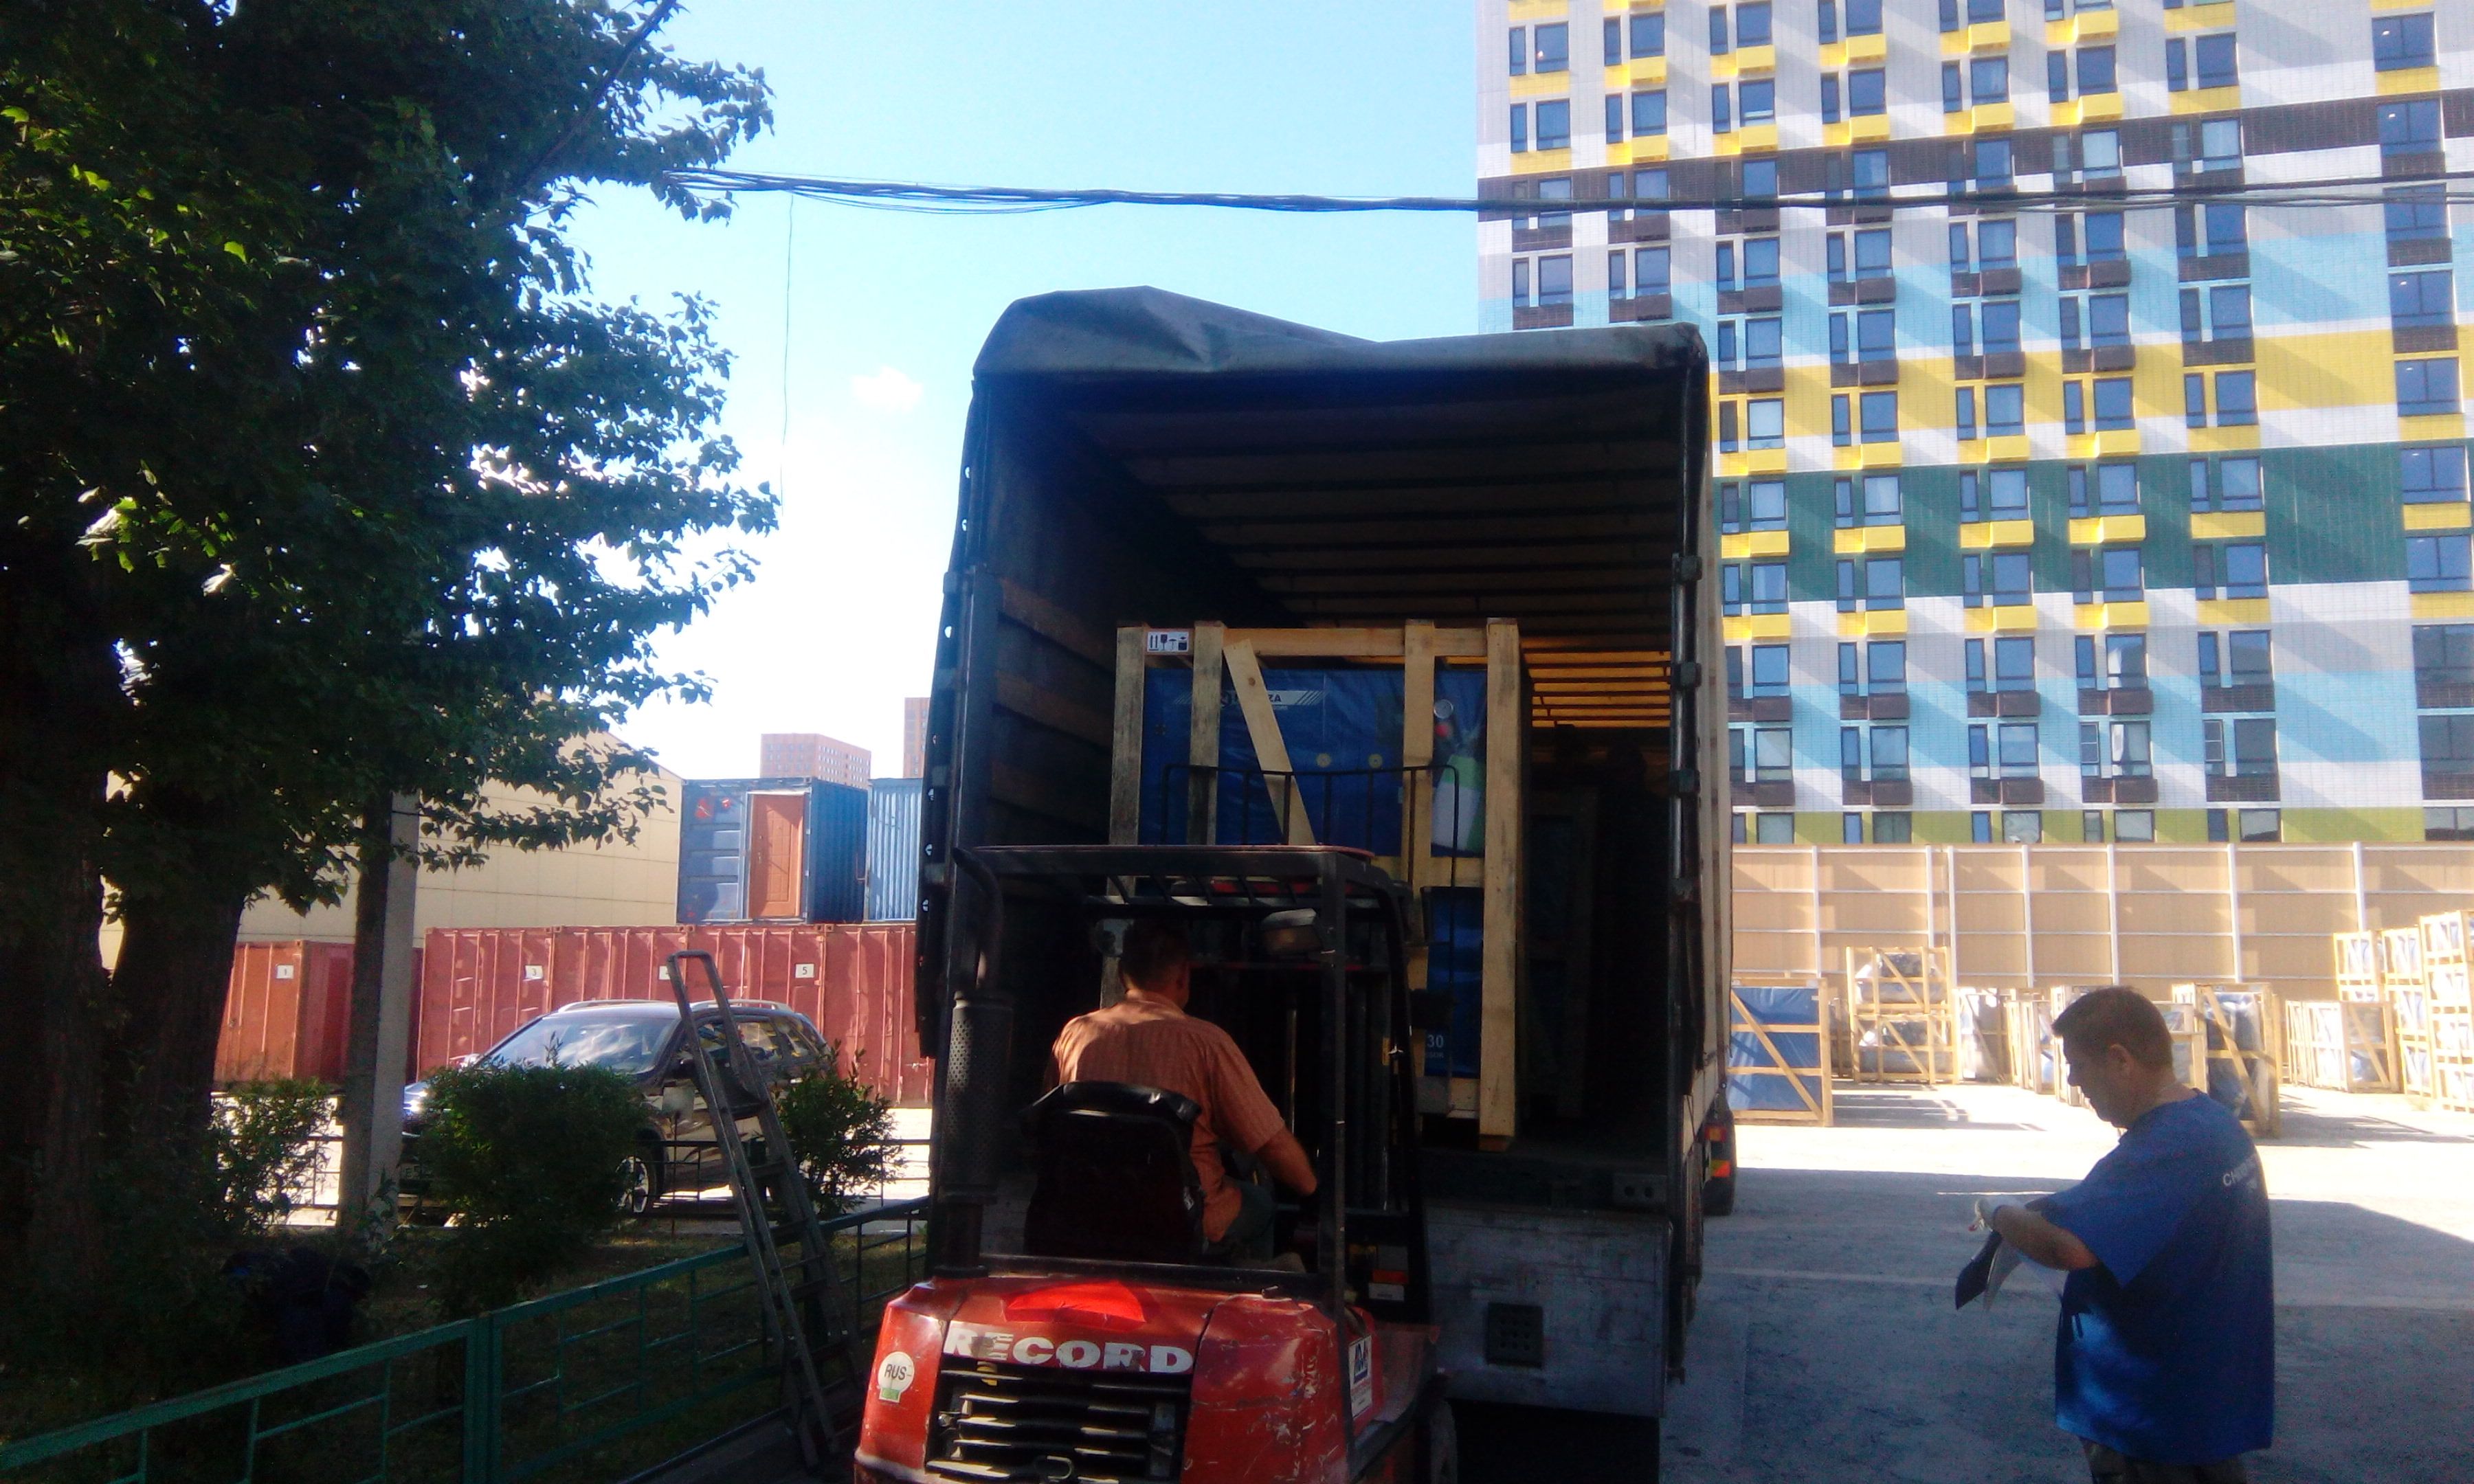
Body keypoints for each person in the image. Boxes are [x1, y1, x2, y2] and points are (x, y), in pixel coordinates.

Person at [1976, 987, 2273, 1484]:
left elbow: (2067, 1248)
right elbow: (2134, 1211)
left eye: (2077, 1065)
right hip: (2198, 1400)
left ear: (2120, 1060)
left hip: (2150, 1416)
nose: (2073, 1081)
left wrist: (1997, 1210)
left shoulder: (2167, 1146)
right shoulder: (2212, 1124)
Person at [1049, 919, 1318, 1259]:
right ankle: (1248, 1288)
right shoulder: (1206, 1044)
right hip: (1181, 1219)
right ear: (1183, 977)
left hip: (1091, 1210)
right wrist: (1311, 1191)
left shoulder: (1074, 1034)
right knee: (1261, 1205)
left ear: (1120, 974)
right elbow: (1270, 1143)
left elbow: (1050, 1121)